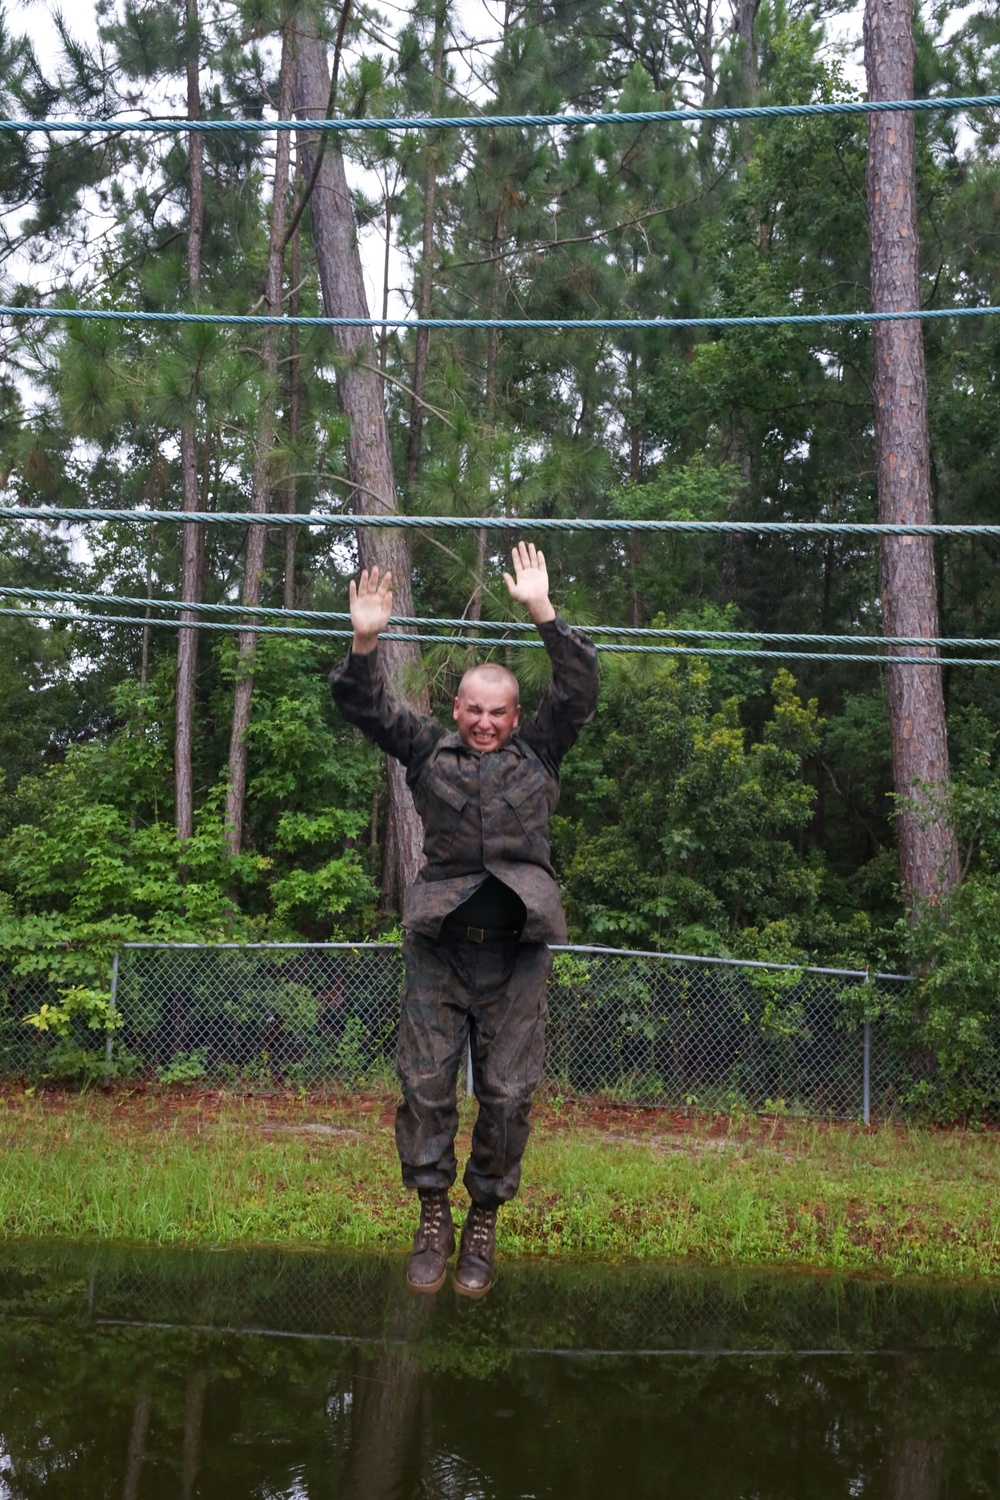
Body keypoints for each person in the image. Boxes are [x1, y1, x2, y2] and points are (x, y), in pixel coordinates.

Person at [330, 541, 599, 1298]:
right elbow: (364, 705)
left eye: (496, 713)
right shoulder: (426, 753)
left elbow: (579, 687)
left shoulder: (540, 755)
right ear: (457, 710)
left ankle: (482, 1217)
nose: (484, 723)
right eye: (473, 711)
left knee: (510, 1096)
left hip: (516, 956)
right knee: (425, 1087)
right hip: (439, 951)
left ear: (515, 716)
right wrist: (365, 640)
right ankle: (430, 1214)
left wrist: (542, 611)